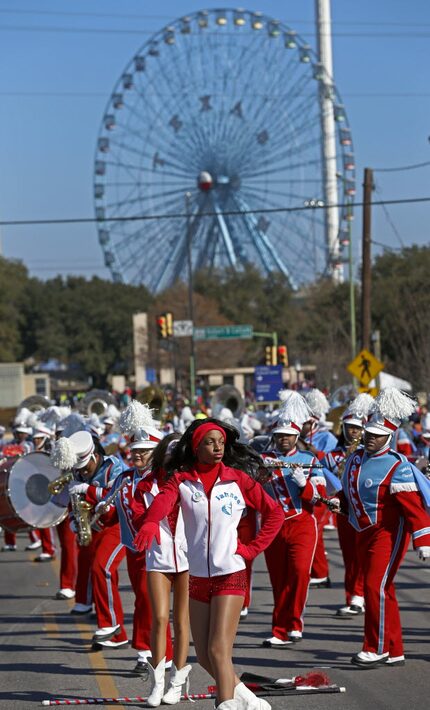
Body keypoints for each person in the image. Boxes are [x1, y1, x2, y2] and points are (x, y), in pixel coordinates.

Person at [133, 418, 284, 710]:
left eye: (221, 443)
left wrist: (252, 549)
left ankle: (225, 703)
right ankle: (247, 699)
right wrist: (152, 521)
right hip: (198, 577)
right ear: (196, 446)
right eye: (209, 442)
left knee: (218, 650)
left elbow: (274, 513)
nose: (217, 448)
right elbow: (164, 501)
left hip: (231, 572)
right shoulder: (181, 479)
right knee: (202, 656)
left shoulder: (238, 479)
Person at [335, 387, 430, 668]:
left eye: (377, 435)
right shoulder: (355, 458)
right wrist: (336, 502)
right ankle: (394, 648)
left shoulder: (398, 466)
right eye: (369, 433)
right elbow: (348, 491)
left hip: (388, 533)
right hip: (363, 531)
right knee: (384, 589)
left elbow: (413, 508)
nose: (370, 438)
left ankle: (375, 647)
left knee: (373, 587)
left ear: (390, 436)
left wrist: (423, 540)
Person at [90, 400, 173, 674]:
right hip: (137, 549)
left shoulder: (164, 478)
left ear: (155, 453)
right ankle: (144, 650)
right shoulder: (124, 478)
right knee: (143, 599)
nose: (137, 456)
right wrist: (104, 512)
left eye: (144, 452)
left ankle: (165, 655)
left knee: (158, 604)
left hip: (163, 548)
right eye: (135, 451)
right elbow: (117, 515)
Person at [261, 391, 329, 647]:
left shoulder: (309, 460)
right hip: (274, 526)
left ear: (297, 436)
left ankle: (295, 623)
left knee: (300, 572)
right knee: (278, 579)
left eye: (288, 436)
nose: (283, 440)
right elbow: (253, 490)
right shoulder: (264, 460)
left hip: (302, 522)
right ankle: (279, 629)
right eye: (279, 436)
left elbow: (320, 498)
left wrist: (305, 486)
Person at [51, 429, 128, 647]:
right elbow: (73, 500)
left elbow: (119, 497)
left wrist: (89, 489)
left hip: (118, 526)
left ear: (93, 457)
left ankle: (110, 623)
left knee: (101, 568)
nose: (82, 474)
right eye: (79, 471)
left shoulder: (114, 467)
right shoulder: (78, 473)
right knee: (97, 571)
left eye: (85, 469)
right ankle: (117, 635)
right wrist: (75, 520)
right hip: (96, 526)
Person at [133, 433, 190, 706]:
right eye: (169, 452)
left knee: (182, 622)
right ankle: (157, 684)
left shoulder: (193, 482)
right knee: (158, 619)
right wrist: (147, 520)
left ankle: (176, 683)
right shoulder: (145, 484)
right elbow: (136, 517)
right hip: (157, 557)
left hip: (189, 560)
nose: (173, 457)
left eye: (179, 453)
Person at [322, 393, 373, 616]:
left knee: (366, 555)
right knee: (349, 555)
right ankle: (353, 595)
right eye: (348, 427)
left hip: (364, 510)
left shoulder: (369, 455)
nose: (352, 431)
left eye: (357, 427)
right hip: (343, 512)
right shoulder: (332, 456)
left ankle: (363, 595)